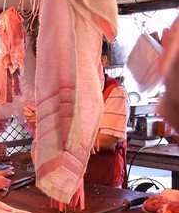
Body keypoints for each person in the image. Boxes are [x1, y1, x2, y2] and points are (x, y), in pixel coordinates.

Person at [24, 47, 129, 188]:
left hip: (102, 181)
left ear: (103, 61)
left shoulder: (115, 92)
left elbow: (107, 141)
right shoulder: (70, 90)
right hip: (66, 180)